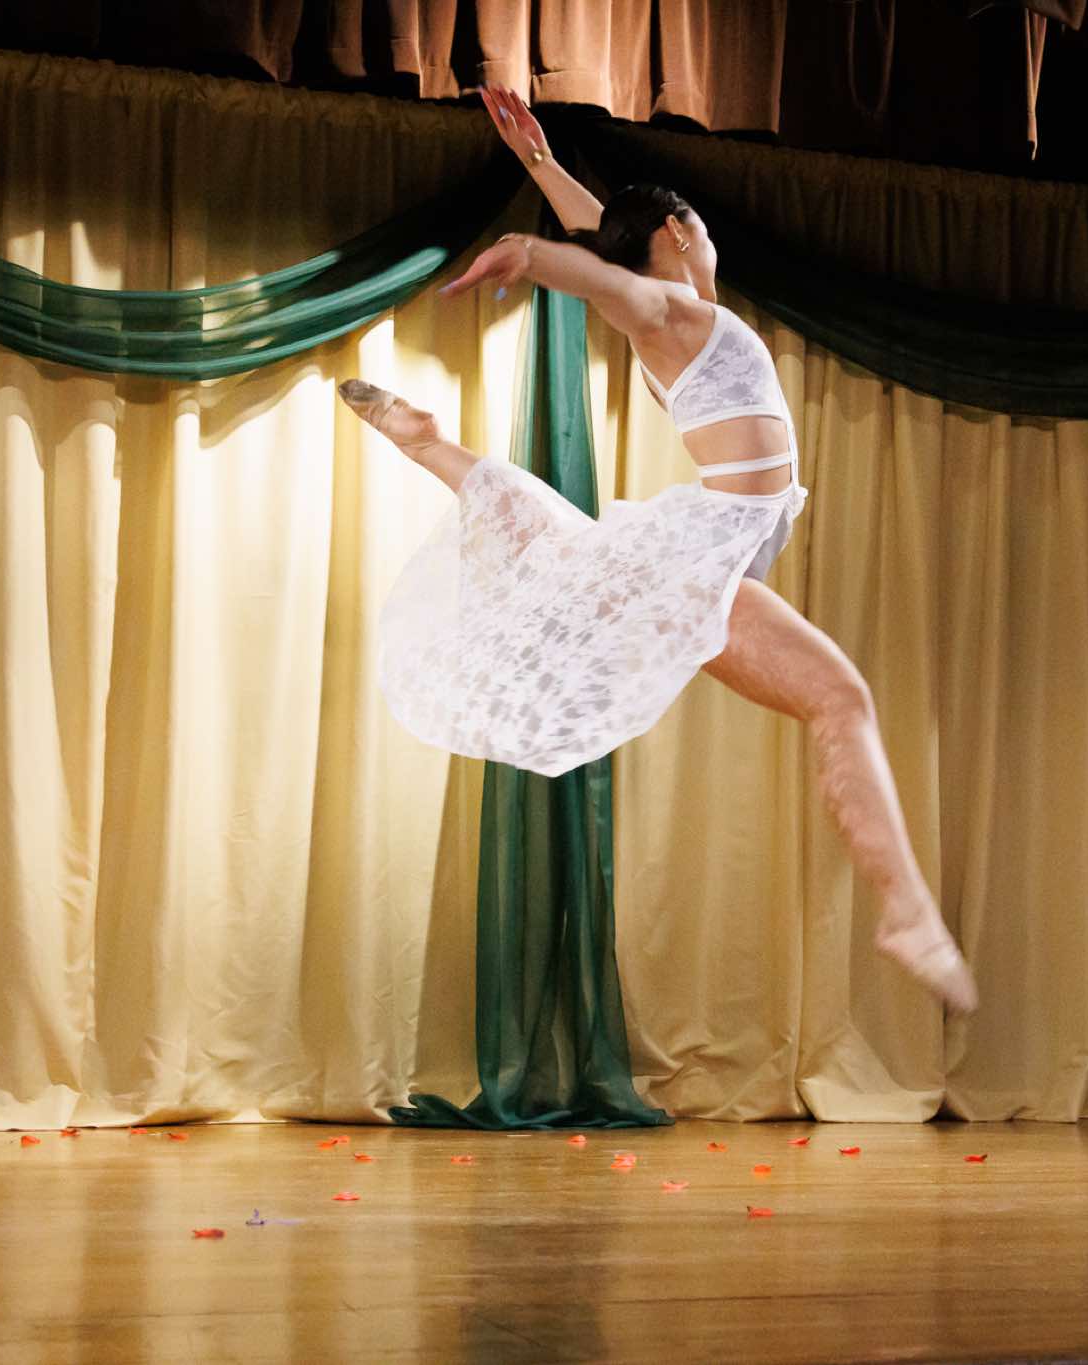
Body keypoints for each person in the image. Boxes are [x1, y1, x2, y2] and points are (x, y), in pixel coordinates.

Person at [340, 85, 977, 1014]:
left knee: (565, 555)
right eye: (698, 229)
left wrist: (541, 166)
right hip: (706, 554)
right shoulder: (682, 316)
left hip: (698, 556)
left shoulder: (676, 328)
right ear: (680, 232)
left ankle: (434, 447)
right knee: (840, 699)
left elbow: (611, 252)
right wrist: (538, 256)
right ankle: (909, 915)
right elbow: (619, 278)